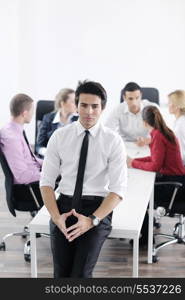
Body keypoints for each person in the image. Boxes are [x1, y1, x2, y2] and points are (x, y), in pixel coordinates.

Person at [40, 80, 127, 278]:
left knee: (80, 274)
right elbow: (46, 183)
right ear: (76, 105)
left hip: (96, 210)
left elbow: (118, 190)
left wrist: (92, 220)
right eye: (84, 105)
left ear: (102, 108)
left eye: (95, 106)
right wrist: (56, 217)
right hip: (64, 207)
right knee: (61, 274)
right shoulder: (59, 137)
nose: (89, 111)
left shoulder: (113, 141)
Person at [127, 105, 185, 244]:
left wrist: (133, 164)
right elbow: (155, 159)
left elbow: (155, 166)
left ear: (145, 122)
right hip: (176, 181)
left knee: (139, 195)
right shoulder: (162, 132)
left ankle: (146, 237)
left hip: (174, 186)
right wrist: (133, 161)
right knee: (141, 188)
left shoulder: (158, 136)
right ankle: (148, 229)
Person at [0, 93, 42, 184]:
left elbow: (32, 159)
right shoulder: (11, 138)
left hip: (35, 175)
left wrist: (51, 164)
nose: (33, 114)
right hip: (29, 188)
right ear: (25, 113)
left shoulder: (16, 130)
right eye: (32, 111)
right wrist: (50, 175)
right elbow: (22, 176)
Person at [105, 82, 159, 146]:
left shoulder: (152, 108)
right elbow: (107, 131)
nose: (134, 103)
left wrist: (150, 140)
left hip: (147, 144)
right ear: (124, 98)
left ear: (141, 95)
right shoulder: (118, 109)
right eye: (130, 99)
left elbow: (165, 132)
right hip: (125, 145)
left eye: (137, 98)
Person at [36, 88, 78, 156]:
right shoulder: (48, 119)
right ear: (62, 103)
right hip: (51, 159)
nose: (77, 105)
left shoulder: (79, 120)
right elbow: (39, 146)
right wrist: (49, 154)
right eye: (73, 102)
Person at [168, 90, 185, 165]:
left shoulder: (180, 126)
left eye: (169, 102)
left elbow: (181, 155)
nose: (168, 105)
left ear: (177, 105)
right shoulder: (179, 120)